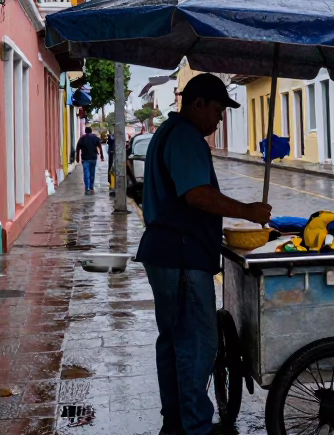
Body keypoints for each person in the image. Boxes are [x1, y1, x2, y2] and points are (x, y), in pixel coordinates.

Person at [136, 73, 271, 435]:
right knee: (196, 341)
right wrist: (248, 211)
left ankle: (176, 421)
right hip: (180, 254)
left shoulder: (169, 132)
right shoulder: (185, 137)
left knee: (174, 340)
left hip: (165, 252)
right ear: (197, 104)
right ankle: (195, 426)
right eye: (217, 109)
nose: (220, 119)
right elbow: (195, 194)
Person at [73, 127, 102, 196]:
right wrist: (102, 155)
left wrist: (77, 157)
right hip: (93, 158)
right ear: (91, 131)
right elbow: (100, 146)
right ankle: (91, 187)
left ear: (85, 131)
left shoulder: (82, 138)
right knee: (92, 173)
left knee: (86, 173)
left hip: (85, 158)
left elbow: (77, 148)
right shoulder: (95, 138)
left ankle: (87, 188)